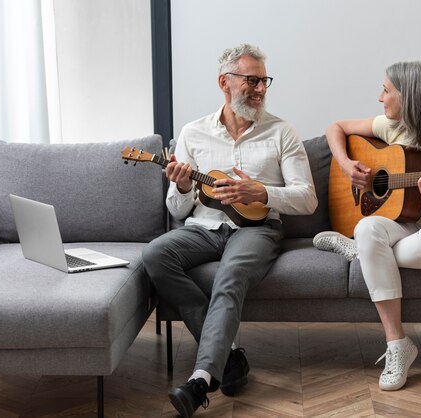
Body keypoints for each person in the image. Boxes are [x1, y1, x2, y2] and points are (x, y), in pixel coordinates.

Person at [142, 44, 317, 417]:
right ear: (225, 82)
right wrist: (185, 186)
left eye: (263, 81)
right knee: (154, 254)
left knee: (231, 274)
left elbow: (307, 200)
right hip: (204, 228)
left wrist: (262, 192)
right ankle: (230, 358)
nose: (259, 89)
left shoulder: (281, 132)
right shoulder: (193, 132)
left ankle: (201, 380)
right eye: (251, 80)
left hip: (256, 231)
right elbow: (175, 209)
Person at [313, 60, 421, 391]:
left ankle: (364, 254)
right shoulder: (396, 127)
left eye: (387, 90)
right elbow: (335, 127)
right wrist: (347, 165)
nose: (380, 97)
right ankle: (398, 344)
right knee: (367, 228)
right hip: (407, 225)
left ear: (410, 97)